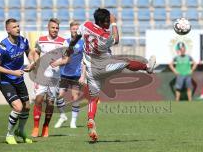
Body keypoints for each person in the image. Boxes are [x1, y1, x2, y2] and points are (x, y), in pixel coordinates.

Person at [59, 8, 156, 142]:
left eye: (109, 21)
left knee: (93, 98)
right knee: (126, 62)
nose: (109, 23)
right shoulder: (105, 36)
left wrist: (70, 47)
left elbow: (77, 37)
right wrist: (115, 23)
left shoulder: (86, 25)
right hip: (105, 66)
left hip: (91, 71)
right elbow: (116, 39)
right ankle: (148, 68)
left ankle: (91, 120)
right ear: (101, 22)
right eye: (107, 22)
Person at [0, 18, 35, 144]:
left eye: (18, 26)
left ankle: (20, 131)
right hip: (5, 80)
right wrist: (13, 72)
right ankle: (9, 134)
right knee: (18, 107)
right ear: (8, 30)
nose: (18, 28)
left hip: (18, 79)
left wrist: (31, 63)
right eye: (14, 27)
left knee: (26, 107)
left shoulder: (23, 40)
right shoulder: (2, 46)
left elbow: (29, 52)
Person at [31, 18, 69, 138]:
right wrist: (36, 63)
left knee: (50, 102)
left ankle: (45, 127)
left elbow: (67, 58)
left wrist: (58, 63)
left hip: (55, 77)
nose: (55, 30)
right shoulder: (41, 40)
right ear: (48, 27)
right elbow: (36, 52)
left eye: (57, 28)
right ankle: (36, 127)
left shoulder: (63, 42)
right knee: (38, 99)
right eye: (53, 27)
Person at [53, 21, 85, 129]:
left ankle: (73, 122)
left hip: (76, 74)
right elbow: (64, 58)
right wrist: (57, 63)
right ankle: (62, 116)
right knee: (59, 96)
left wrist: (83, 76)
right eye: (73, 28)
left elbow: (85, 60)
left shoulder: (82, 43)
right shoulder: (65, 42)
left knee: (75, 97)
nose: (75, 30)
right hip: (65, 73)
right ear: (70, 30)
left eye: (77, 28)